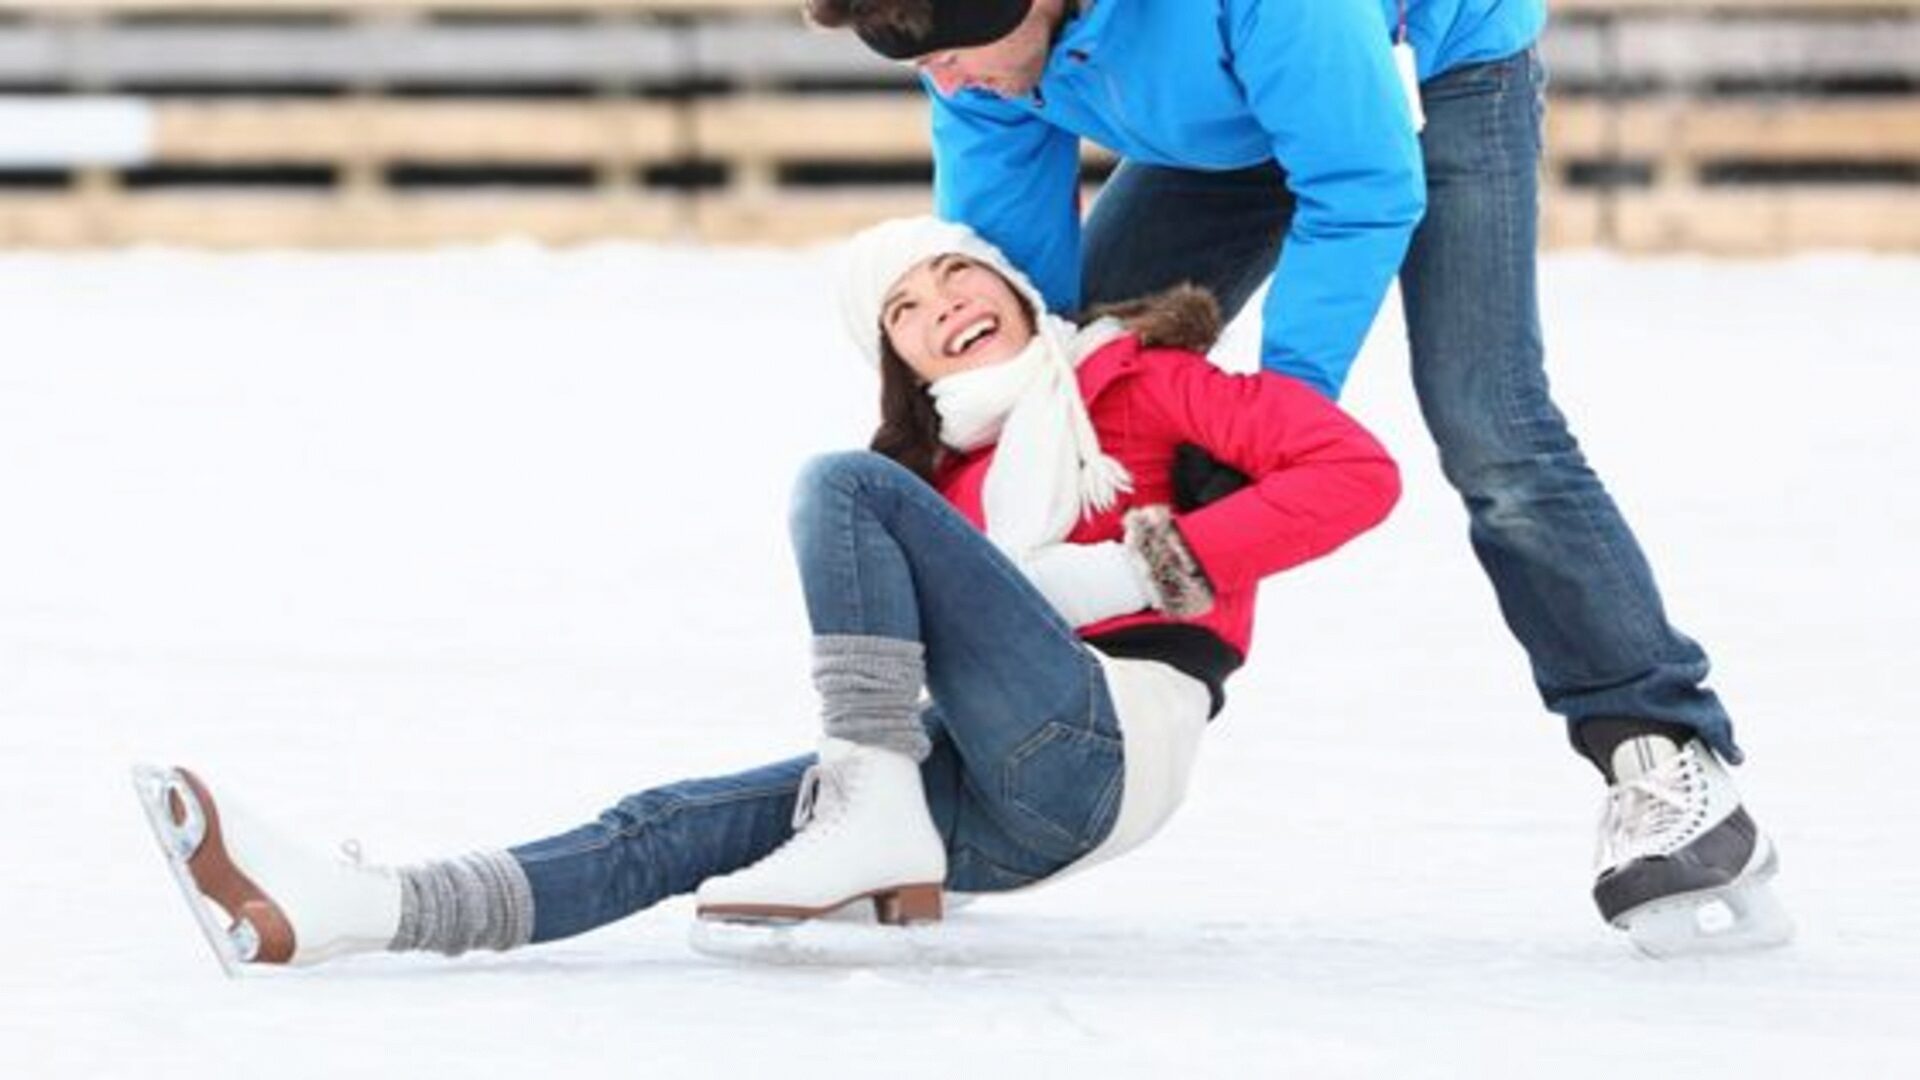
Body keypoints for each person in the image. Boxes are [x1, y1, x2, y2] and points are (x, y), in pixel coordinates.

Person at [134, 217, 1400, 969]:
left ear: (1011, 287)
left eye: (952, 276)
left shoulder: (1138, 384)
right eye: (901, 311)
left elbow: (1359, 473)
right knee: (674, 820)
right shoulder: (936, 489)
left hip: (1118, 733)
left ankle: (867, 806)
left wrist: (1138, 565)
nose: (938, 308)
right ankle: (369, 908)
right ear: (897, 359)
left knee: (840, 488)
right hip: (1010, 810)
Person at [805, 0, 1789, 953]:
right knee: (1065, 388)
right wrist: (1023, 410)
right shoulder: (970, 53)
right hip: (1230, 117)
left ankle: (1662, 754)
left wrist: (1271, 424)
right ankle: (995, 742)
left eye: (951, 50)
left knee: (1493, 428)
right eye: (916, 57)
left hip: (1434, 74)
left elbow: (1360, 185)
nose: (941, 79)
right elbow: (1019, 316)